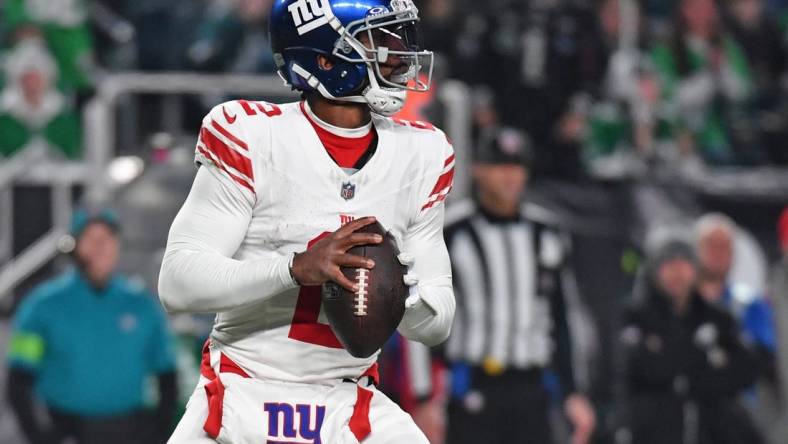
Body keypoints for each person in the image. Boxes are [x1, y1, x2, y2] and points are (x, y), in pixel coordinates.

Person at [158, 0, 455, 442]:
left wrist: (398, 293)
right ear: (325, 57)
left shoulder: (421, 156)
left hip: (346, 401)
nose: (398, 53)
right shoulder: (252, 135)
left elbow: (437, 323)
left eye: (398, 37)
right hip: (244, 392)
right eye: (378, 39)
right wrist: (296, 269)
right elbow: (178, 285)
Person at [441, 127, 596, 444]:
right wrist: (426, 395)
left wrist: (572, 391)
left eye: (517, 167)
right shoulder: (453, 231)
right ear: (479, 170)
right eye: (500, 166)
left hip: (532, 386)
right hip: (474, 381)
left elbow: (561, 317)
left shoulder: (546, 232)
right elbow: (426, 315)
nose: (510, 177)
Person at [6, 209, 178, 444]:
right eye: (91, 239)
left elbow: (167, 374)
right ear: (75, 246)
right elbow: (19, 379)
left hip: (129, 430)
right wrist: (39, 436)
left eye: (107, 239)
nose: (100, 247)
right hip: (67, 429)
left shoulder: (141, 305)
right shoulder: (43, 306)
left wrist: (158, 430)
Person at [620, 231, 762, 444]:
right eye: (668, 265)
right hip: (653, 433)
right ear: (654, 271)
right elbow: (635, 367)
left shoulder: (717, 317)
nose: (677, 273)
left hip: (713, 431)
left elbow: (746, 369)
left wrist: (685, 374)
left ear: (695, 269)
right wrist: (704, 358)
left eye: (683, 265)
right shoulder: (636, 316)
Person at [694, 213, 777, 380]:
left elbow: (766, 360)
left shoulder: (750, 305)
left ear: (733, 254)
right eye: (710, 246)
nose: (717, 254)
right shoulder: (681, 304)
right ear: (696, 250)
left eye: (723, 247)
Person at [0, 38, 81, 158]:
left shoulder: (63, 119)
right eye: (27, 78)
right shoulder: (5, 121)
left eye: (36, 78)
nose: (32, 83)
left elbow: (72, 154)